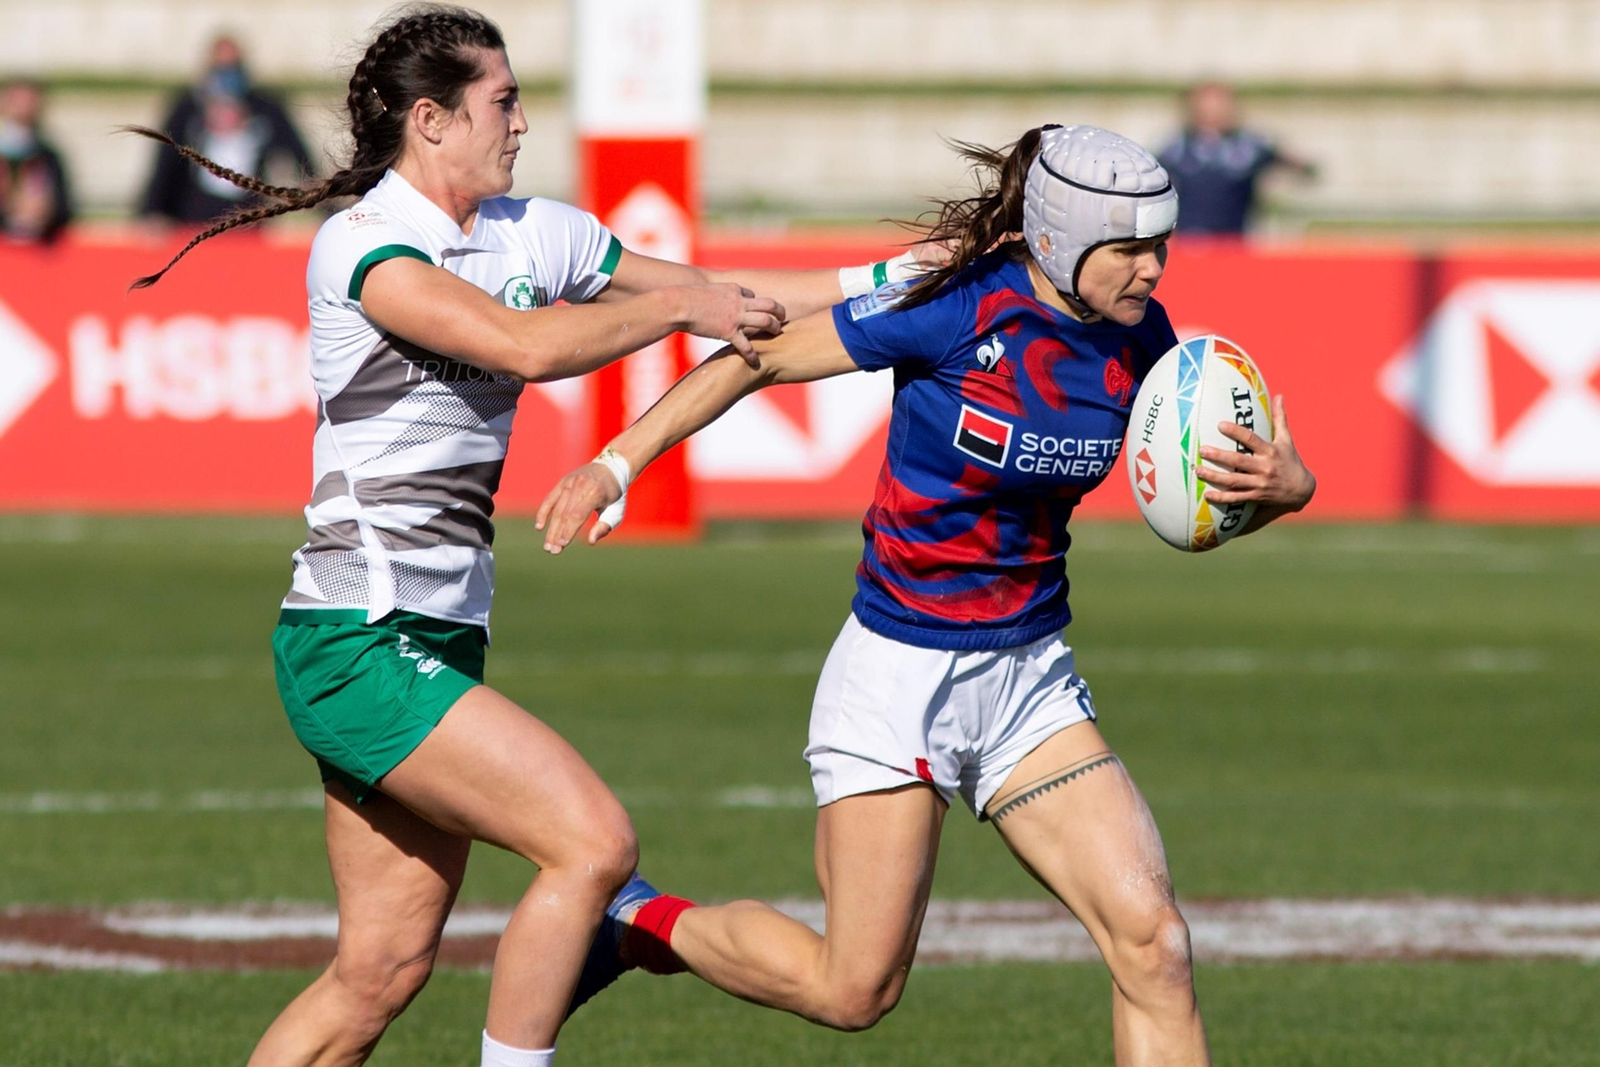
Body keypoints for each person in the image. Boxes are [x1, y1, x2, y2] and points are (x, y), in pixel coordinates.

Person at [124, 6, 892, 1066]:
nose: (523, 122)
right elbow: (518, 346)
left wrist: (900, 279)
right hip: (357, 637)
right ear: (432, 120)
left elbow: (725, 295)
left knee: (376, 975)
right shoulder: (366, 246)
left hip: (433, 635)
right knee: (594, 844)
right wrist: (679, 310)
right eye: (505, 101)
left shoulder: (536, 231)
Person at [537, 124, 1316, 1065]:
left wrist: (1288, 487)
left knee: (1155, 943)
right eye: (1132, 247)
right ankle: (636, 923)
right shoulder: (956, 307)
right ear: (1066, 240)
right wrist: (616, 464)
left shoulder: (1143, 338)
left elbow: (1223, 487)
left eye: (1163, 244)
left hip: (1029, 678)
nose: (1155, 268)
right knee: (852, 988)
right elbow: (761, 358)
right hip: (899, 679)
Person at [137, 33, 317, 225]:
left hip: (247, 218)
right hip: (194, 218)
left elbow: (300, 157)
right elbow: (166, 164)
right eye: (221, 68)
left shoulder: (265, 109)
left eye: (233, 67)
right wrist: (152, 211)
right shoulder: (188, 110)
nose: (227, 76)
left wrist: (322, 202)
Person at [1157, 82, 1316, 236]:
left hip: (1237, 241)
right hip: (1190, 241)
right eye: (1206, 105)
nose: (1213, 111)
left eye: (1219, 104)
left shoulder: (1250, 147)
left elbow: (1296, 165)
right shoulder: (1176, 149)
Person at [0, 78, 73, 243]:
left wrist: (46, 213)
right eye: (18, 101)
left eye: (30, 101)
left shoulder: (49, 156)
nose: (24, 107)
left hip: (40, 246)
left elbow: (65, 207)